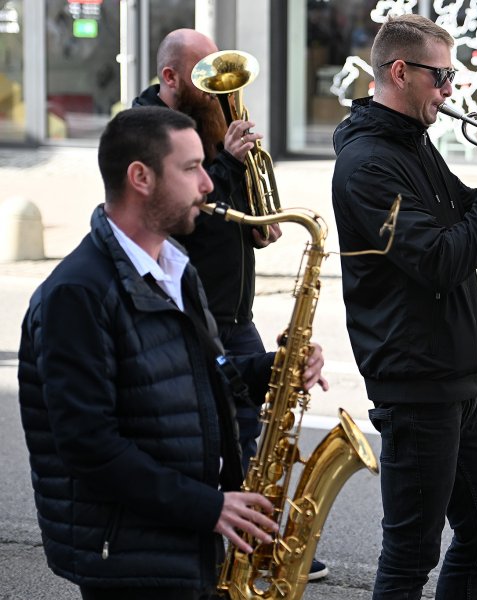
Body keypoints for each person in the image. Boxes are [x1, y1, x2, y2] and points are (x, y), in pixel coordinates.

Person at [16, 106, 294, 599]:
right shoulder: (75, 294)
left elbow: (211, 374)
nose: (209, 185)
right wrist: (209, 508)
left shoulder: (174, 265)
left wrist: (276, 370)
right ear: (140, 177)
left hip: (185, 540)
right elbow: (89, 445)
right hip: (129, 556)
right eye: (191, 169)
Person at [331, 13, 477, 600]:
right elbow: (441, 259)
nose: (451, 91)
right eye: (442, 76)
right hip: (414, 382)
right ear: (400, 72)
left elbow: (467, 220)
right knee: (411, 555)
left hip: (459, 377)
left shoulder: (414, 145)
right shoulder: (368, 164)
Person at [131, 28, 332, 580]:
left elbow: (230, 209)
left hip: (233, 312)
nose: (215, 80)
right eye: (202, 72)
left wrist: (259, 224)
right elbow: (179, 213)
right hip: (192, 314)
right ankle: (233, 544)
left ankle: (255, 543)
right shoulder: (149, 130)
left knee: (252, 429)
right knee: (210, 435)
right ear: (170, 77)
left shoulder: (213, 119)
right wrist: (229, 165)